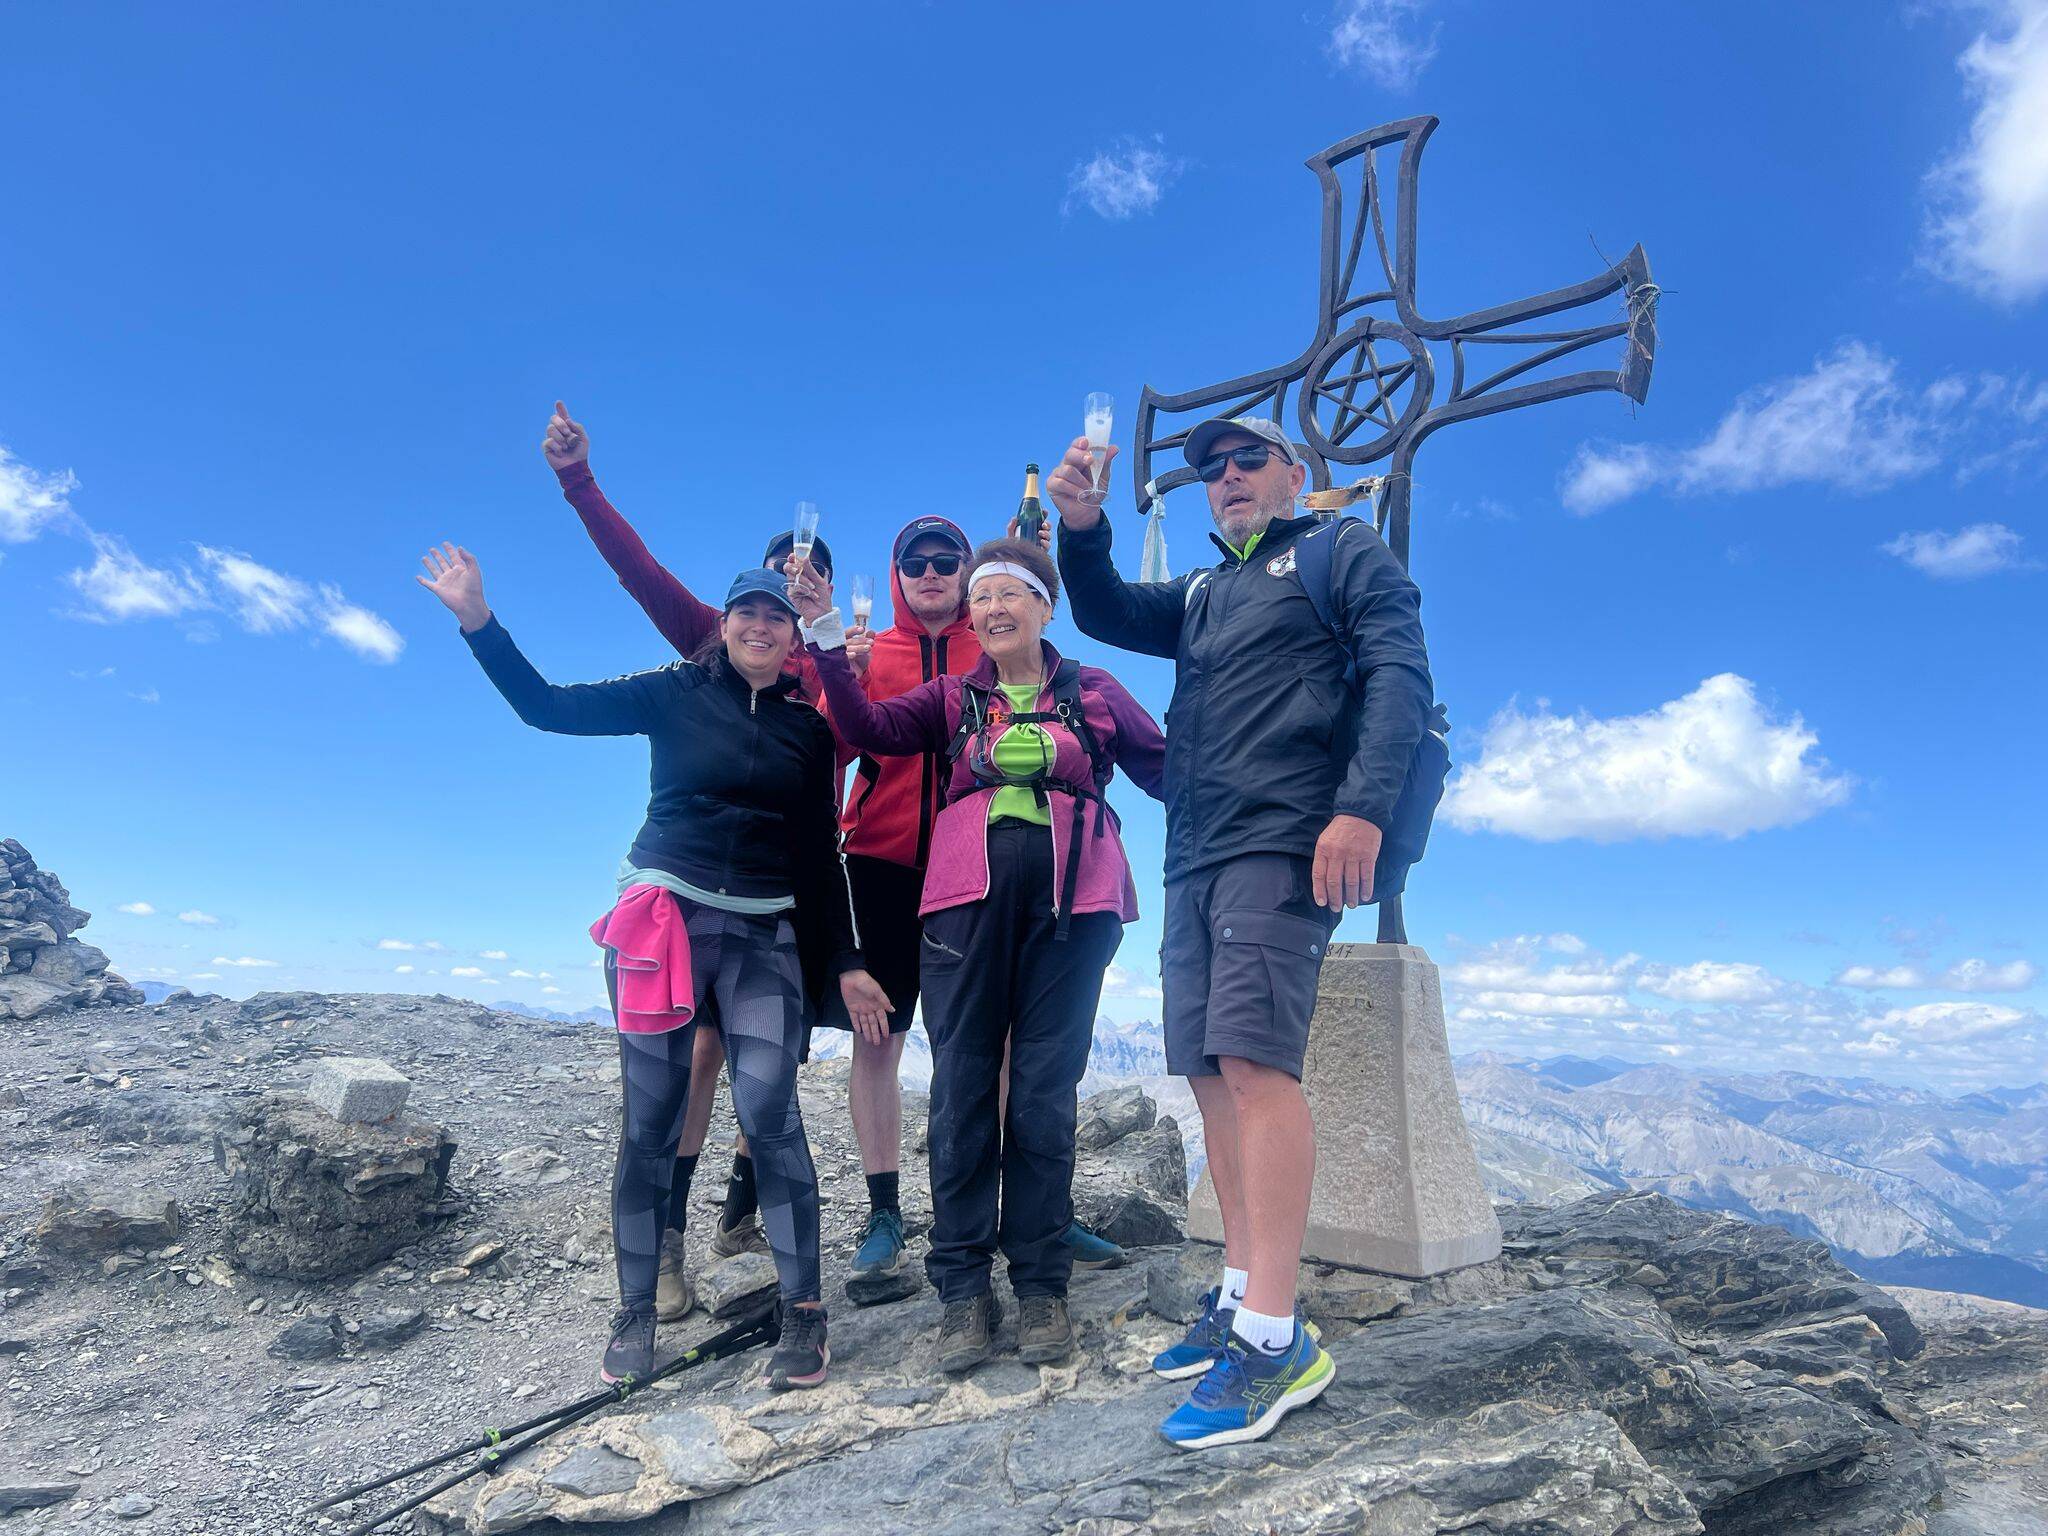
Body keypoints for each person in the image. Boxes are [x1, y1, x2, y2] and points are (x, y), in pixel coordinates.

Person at [540, 403, 1128, 1311]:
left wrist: (1040, 550)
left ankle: (1037, 1218)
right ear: (893, 578)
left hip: (993, 874)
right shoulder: (843, 654)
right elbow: (825, 743)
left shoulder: (994, 638)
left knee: (1016, 1050)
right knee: (859, 1042)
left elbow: (1040, 637)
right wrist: (581, 483)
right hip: (884, 869)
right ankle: (874, 1215)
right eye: (917, 563)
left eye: (953, 565)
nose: (937, 576)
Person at [416, 541, 891, 1392]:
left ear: (794, 637)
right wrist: (477, 620)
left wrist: (848, 962)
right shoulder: (673, 692)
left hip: (763, 934)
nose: (759, 625)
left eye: (776, 616)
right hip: (662, 921)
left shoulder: (809, 730)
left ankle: (804, 1312)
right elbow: (545, 707)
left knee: (769, 1112)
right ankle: (636, 1309)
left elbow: (821, 858)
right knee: (651, 1120)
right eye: (745, 611)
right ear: (722, 625)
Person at [1049, 417, 1435, 1448]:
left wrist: (1358, 807)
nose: (1224, 479)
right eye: (1208, 470)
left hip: (1283, 838)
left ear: (1293, 473)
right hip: (1196, 850)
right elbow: (1101, 608)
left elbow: (1400, 675)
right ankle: (1236, 1295)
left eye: (1245, 461)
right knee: (1212, 1074)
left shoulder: (1338, 548)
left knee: (1257, 1066)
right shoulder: (1210, 588)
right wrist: (1079, 526)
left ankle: (1274, 1339)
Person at [787, 538, 1165, 1372]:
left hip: (1077, 906)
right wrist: (820, 642)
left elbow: (1170, 770)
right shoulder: (953, 695)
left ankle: (1039, 1287)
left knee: (1040, 1091)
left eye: (1012, 595)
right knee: (961, 1087)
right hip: (962, 905)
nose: (994, 608)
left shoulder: (1094, 692)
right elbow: (866, 730)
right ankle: (963, 1290)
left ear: (1044, 608)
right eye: (983, 596)